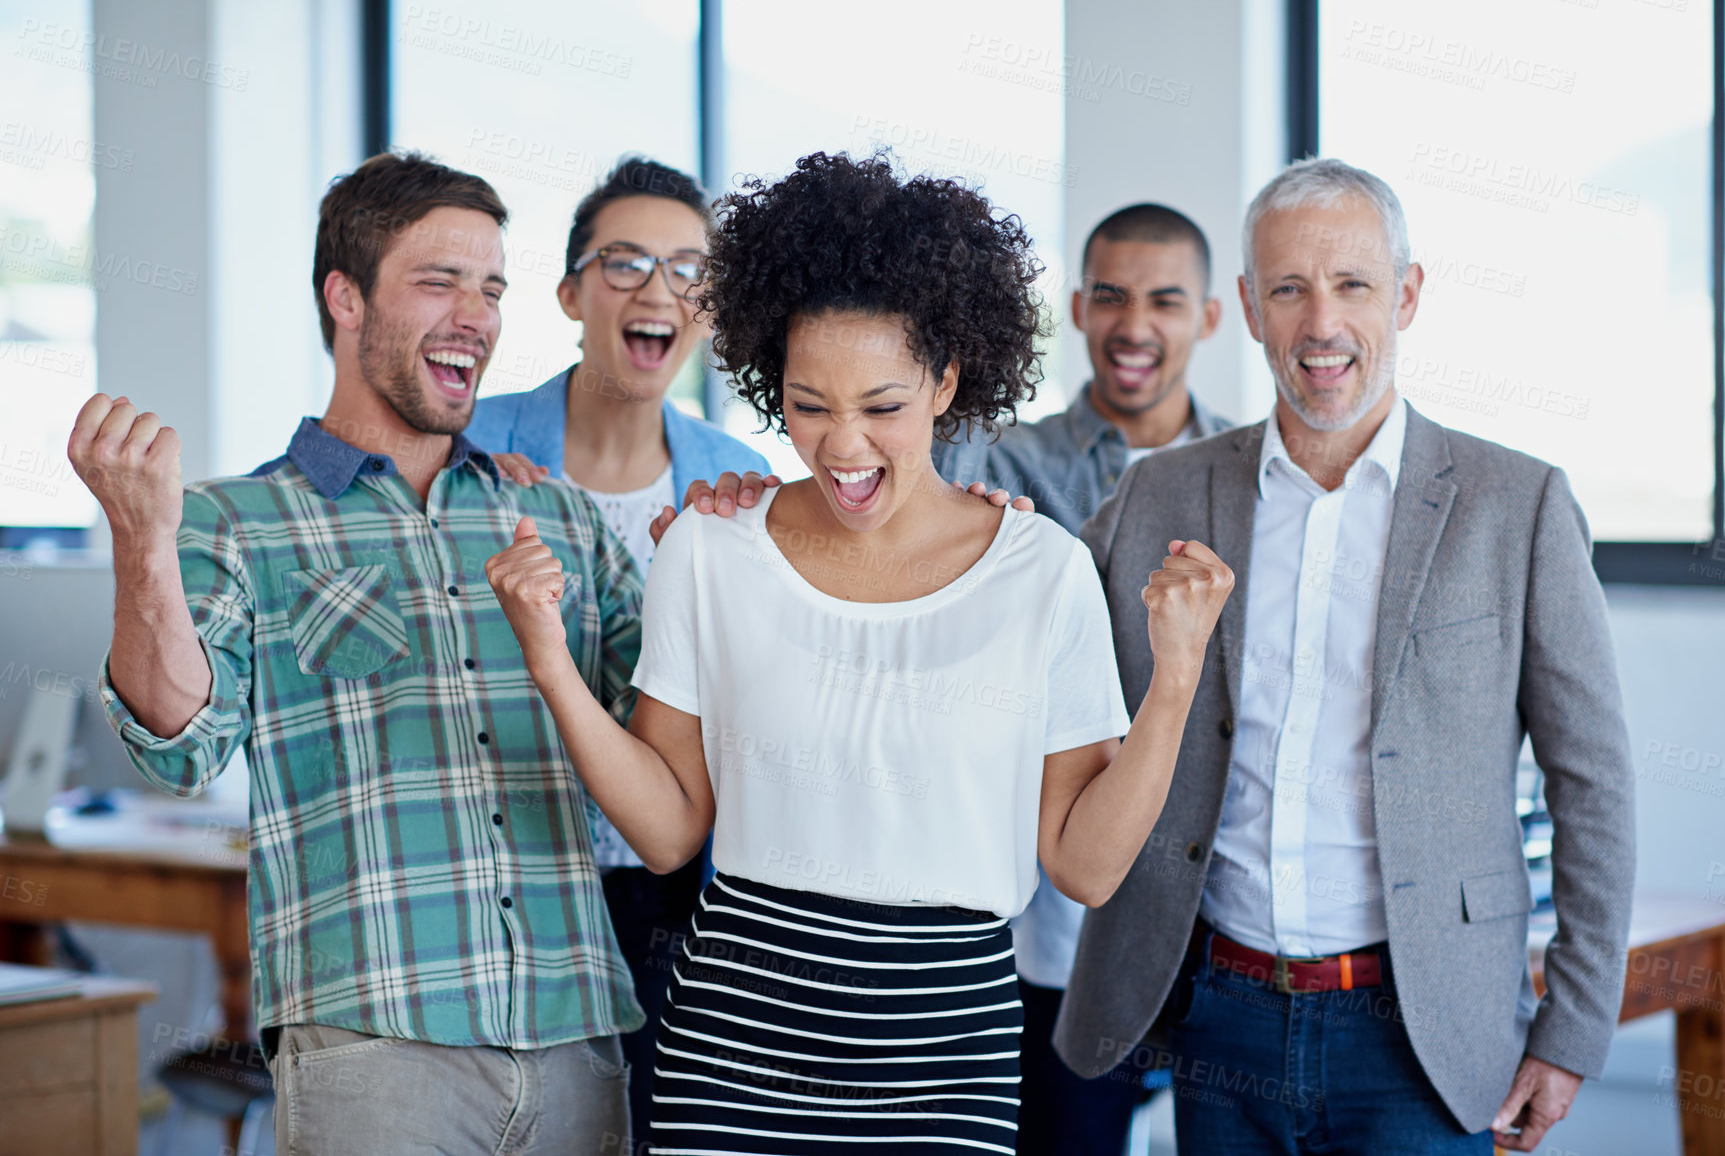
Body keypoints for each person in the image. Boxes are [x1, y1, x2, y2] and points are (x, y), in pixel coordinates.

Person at [483, 151, 1234, 1153]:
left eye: (882, 406)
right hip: (737, 1036)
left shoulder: (1042, 571)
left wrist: (1176, 676)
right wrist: (550, 661)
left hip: (947, 1045)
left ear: (947, 381)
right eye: (808, 405)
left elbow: (1086, 869)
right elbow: (668, 831)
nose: (842, 447)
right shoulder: (710, 548)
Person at [1052, 157, 1635, 1154]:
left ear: (1406, 295)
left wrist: (1572, 1028)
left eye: (1353, 284)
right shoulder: (1160, 494)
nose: (1321, 323)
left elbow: (1595, 784)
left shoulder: (1518, 504)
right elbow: (1038, 606)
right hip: (1219, 1014)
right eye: (1288, 288)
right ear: (1246, 306)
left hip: (1421, 1031)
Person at [71, 152, 646, 1156]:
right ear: (345, 297)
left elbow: (675, 729)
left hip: (577, 1041)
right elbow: (179, 745)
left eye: (494, 288)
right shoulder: (231, 521)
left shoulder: (559, 517)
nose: (478, 313)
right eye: (440, 281)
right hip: (374, 1045)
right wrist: (140, 545)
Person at [466, 155, 768, 1149]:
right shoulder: (472, 445)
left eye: (689, 271)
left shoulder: (739, 479)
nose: (660, 290)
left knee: (646, 1125)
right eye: (627, 262)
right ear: (570, 292)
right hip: (506, 862)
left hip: (667, 882)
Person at [934, 202, 1231, 1156]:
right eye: (1108, 296)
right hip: (1058, 917)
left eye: (1163, 300)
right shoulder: (996, 464)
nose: (1132, 325)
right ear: (1074, 307)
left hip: (1217, 915)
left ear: (1211, 317)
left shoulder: (1252, 474)